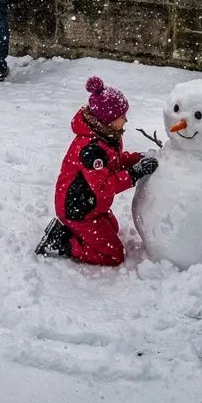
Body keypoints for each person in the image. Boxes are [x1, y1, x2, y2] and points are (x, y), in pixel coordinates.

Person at [36, 76, 158, 265]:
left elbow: (114, 162)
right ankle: (62, 242)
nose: (126, 119)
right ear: (108, 119)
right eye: (122, 116)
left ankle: (73, 232)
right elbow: (104, 186)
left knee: (114, 228)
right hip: (79, 210)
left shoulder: (106, 136)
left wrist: (137, 159)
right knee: (114, 255)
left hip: (93, 206)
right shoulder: (92, 151)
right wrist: (135, 174)